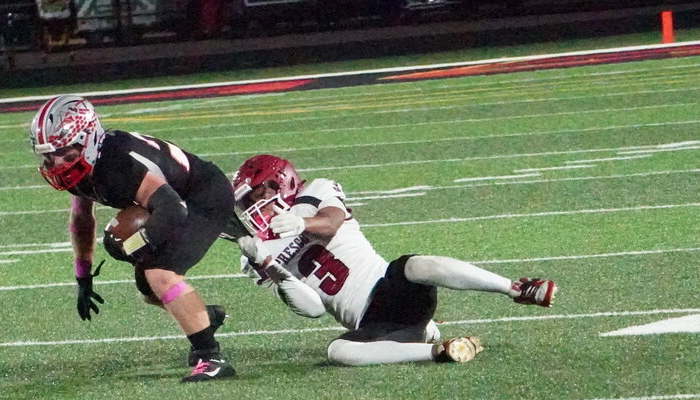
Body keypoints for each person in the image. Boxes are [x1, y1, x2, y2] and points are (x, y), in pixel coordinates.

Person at [231, 154, 558, 366]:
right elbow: (313, 309)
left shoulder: (316, 190)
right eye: (248, 201)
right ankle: (439, 351)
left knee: (414, 264)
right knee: (337, 352)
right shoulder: (256, 252)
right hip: (371, 324)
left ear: (282, 183)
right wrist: (269, 265)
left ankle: (516, 288)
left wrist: (301, 224)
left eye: (258, 195)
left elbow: (330, 222)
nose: (254, 207)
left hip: (392, 287)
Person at [29, 95, 236, 382]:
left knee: (160, 274)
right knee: (147, 289)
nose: (56, 162)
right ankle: (204, 317)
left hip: (202, 197)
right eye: (49, 155)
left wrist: (138, 243)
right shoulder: (84, 167)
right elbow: (81, 219)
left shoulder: (117, 162)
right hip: (171, 202)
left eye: (64, 152)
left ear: (87, 139)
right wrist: (83, 274)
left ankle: (210, 357)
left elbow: (172, 208)